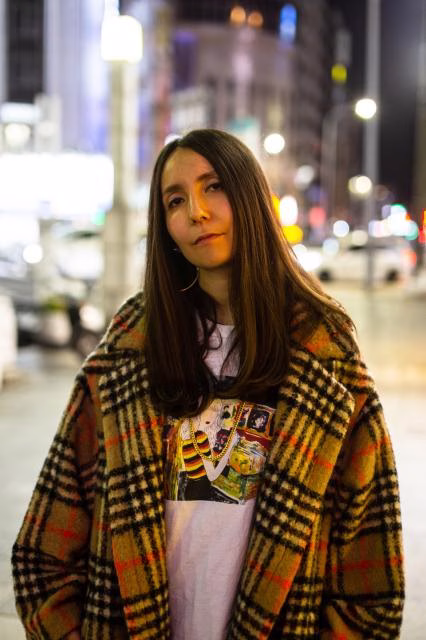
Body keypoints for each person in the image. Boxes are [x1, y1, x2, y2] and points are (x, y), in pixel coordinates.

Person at [12, 129, 404, 639]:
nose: (196, 212)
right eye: (175, 200)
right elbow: (43, 557)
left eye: (213, 186)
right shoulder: (128, 353)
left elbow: (371, 591)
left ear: (250, 197)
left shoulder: (326, 360)